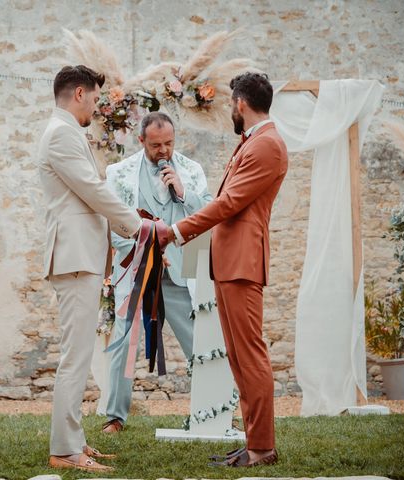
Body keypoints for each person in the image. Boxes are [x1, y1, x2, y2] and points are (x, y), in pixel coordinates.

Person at [160, 72, 288, 467]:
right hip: (230, 260)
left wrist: (177, 230)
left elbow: (229, 202)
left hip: (242, 261)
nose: (230, 107)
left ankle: (262, 448)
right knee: (236, 354)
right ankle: (253, 443)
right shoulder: (254, 142)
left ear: (242, 104)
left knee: (249, 354)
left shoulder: (267, 145)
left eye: (232, 101)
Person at [38, 65, 141, 473]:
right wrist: (138, 225)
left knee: (77, 354)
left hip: (79, 257)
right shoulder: (61, 134)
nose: (97, 107)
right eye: (96, 99)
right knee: (75, 358)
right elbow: (93, 191)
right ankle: (64, 450)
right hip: (74, 258)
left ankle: (74, 441)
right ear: (79, 93)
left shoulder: (64, 132)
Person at [102, 112, 212, 433]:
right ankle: (115, 417)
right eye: (155, 145)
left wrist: (184, 193)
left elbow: (209, 214)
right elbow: (114, 226)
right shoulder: (119, 174)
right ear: (141, 141)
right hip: (138, 273)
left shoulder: (191, 171)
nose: (163, 150)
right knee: (124, 342)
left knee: (198, 340)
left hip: (179, 274)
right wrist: (147, 250)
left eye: (168, 143)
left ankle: (213, 409)